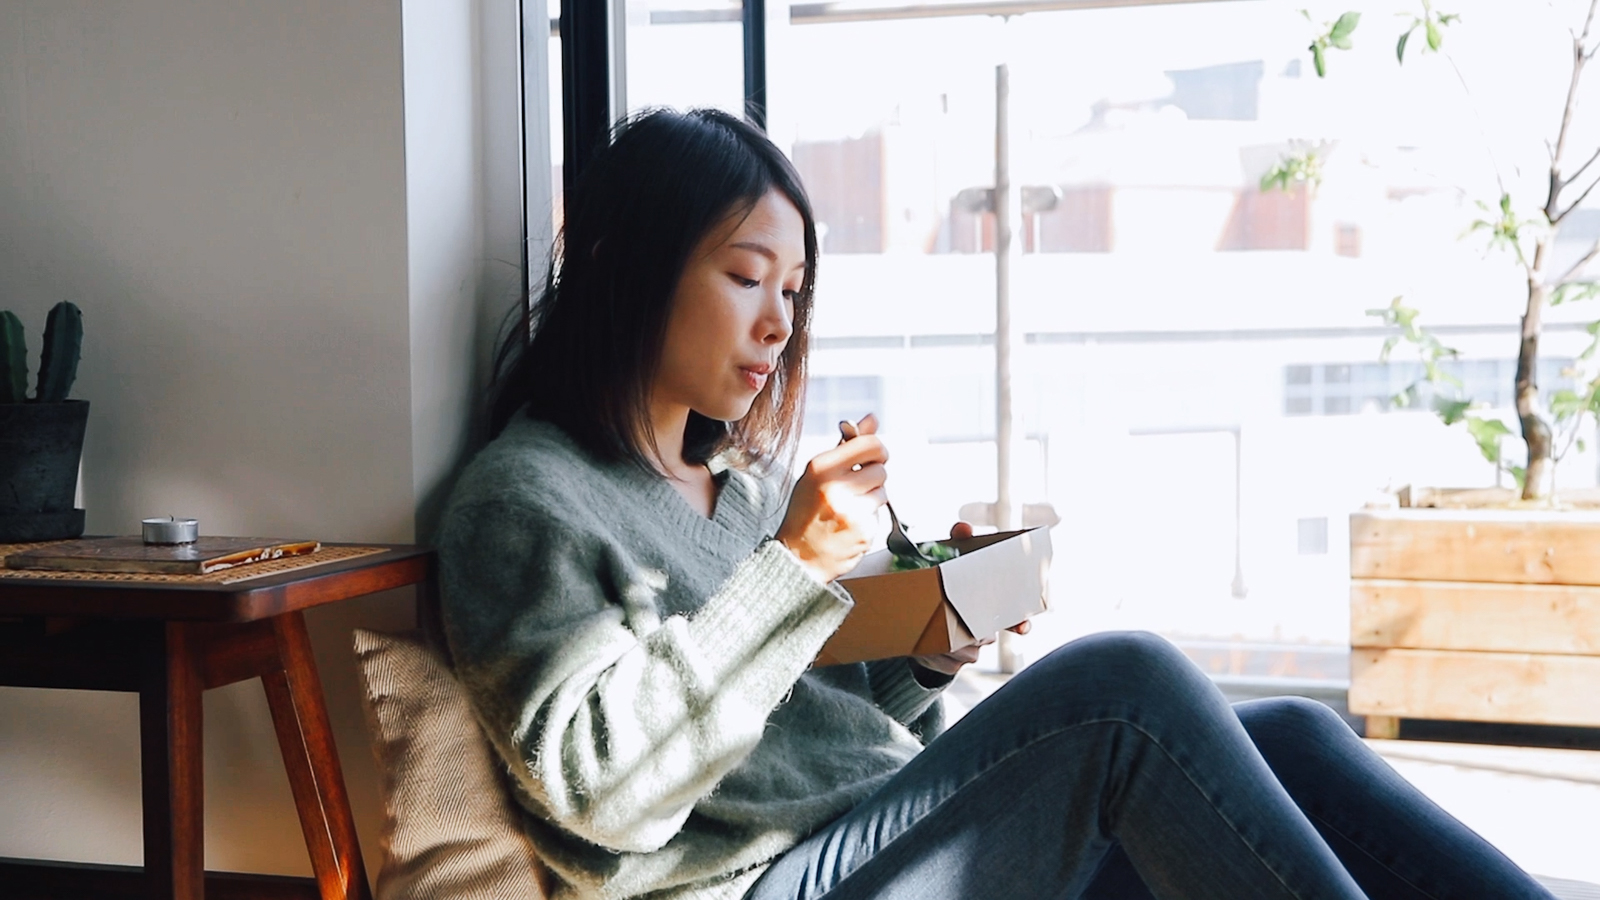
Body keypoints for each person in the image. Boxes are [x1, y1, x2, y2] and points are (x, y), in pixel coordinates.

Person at [436, 107, 1555, 900]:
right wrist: (794, 568)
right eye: (744, 278)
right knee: (1123, 688)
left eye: (793, 290)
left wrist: (924, 652)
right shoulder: (526, 501)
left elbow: (814, 723)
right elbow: (605, 794)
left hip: (872, 839)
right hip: (764, 883)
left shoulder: (739, 486)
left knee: (1294, 736)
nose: (778, 325)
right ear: (627, 262)